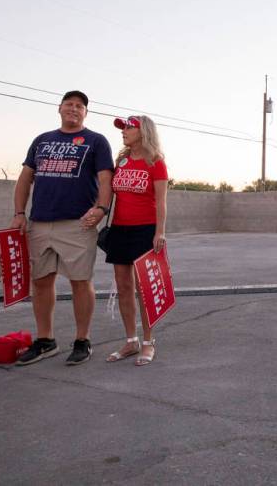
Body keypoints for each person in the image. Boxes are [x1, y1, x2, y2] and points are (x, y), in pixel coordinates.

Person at [12, 90, 114, 366]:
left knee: (80, 282)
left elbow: (106, 181)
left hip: (78, 223)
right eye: (69, 104)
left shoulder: (96, 141)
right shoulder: (42, 140)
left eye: (79, 106)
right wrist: (20, 213)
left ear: (85, 113)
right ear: (59, 108)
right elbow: (25, 178)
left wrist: (102, 209)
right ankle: (46, 341)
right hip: (40, 223)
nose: (73, 109)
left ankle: (82, 340)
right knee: (42, 282)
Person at [104, 115, 170, 366]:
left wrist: (159, 232)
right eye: (123, 128)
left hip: (145, 231)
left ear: (144, 132)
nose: (124, 132)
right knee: (123, 288)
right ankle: (131, 340)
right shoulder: (120, 160)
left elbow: (161, 201)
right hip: (120, 229)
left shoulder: (156, 162)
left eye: (129, 128)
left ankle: (147, 342)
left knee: (145, 291)